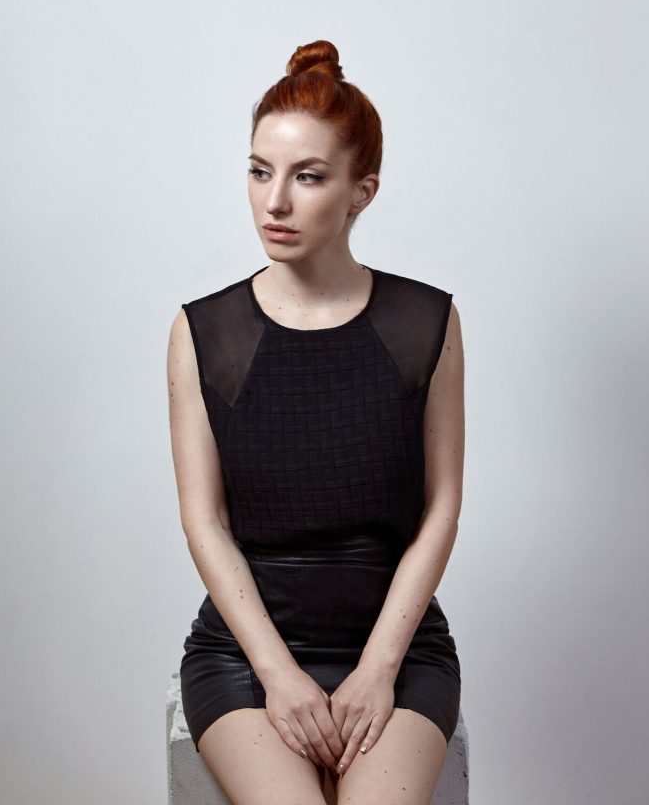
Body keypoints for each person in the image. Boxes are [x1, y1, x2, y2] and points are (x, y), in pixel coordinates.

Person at [167, 39, 465, 805]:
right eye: (258, 171)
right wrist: (279, 676)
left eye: (307, 176)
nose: (274, 202)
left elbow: (440, 508)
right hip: (245, 654)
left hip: (397, 650)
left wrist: (377, 670)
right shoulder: (204, 332)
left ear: (361, 191)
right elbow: (204, 522)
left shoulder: (425, 322)